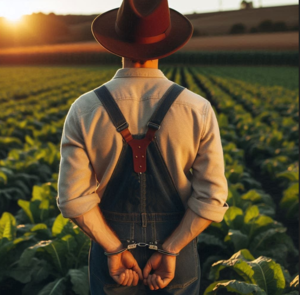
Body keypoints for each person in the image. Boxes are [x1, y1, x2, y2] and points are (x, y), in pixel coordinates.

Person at [56, 0, 229, 294]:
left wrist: (113, 249)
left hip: (112, 257)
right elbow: (212, 199)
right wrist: (171, 250)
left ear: (116, 42)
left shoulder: (84, 109)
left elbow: (72, 200)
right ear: (166, 45)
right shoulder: (196, 108)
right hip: (179, 252)